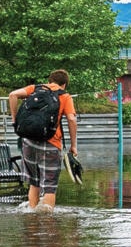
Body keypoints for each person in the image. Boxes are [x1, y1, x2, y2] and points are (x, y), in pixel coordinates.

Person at [8, 69, 78, 213]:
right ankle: (47, 225)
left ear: (49, 80)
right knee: (50, 186)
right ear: (64, 84)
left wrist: (14, 120)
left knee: (34, 183)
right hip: (51, 144)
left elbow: (12, 95)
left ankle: (32, 218)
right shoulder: (65, 96)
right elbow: (71, 119)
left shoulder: (35, 88)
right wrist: (73, 145)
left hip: (28, 142)